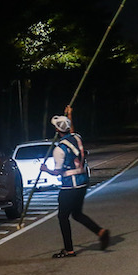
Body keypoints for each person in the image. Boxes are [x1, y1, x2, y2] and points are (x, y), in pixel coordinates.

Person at [44, 106, 109, 258]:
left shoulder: (59, 149)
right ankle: (100, 232)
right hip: (82, 182)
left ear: (56, 131)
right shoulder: (77, 138)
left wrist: (46, 170)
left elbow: (58, 171)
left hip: (69, 186)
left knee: (62, 217)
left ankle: (69, 249)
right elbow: (71, 131)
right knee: (77, 214)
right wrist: (70, 115)